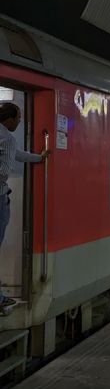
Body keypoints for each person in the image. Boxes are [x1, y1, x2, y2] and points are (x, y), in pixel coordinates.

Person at [0, 103, 48, 312]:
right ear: (8, 120)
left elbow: (17, 153)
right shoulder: (7, 138)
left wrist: (38, 158)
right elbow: (4, 170)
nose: (20, 122)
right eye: (18, 118)